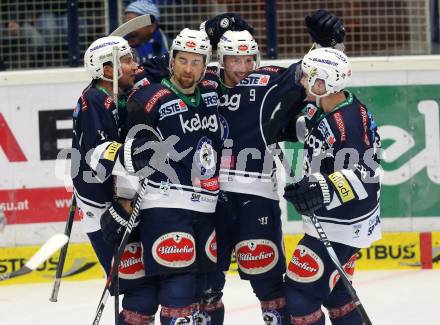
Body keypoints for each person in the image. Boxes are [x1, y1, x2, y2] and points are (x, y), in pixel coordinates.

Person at [182, 11, 346, 325]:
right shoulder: (202, 83)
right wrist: (204, 32)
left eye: (248, 60)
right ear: (221, 60)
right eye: (234, 61)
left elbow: (314, 69)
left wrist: (327, 42)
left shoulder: (269, 79)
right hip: (208, 199)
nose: (243, 68)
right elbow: (166, 67)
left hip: (256, 197)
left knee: (269, 284)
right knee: (205, 287)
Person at [108, 28, 222, 324]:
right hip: (165, 205)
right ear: (171, 61)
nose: (188, 69)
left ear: (205, 65)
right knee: (179, 288)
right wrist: (123, 200)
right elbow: (129, 152)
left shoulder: (211, 92)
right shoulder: (148, 98)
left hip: (206, 207)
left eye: (196, 62)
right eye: (182, 60)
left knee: (204, 291)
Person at [283, 48, 382, 324]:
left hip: (343, 224)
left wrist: (319, 189)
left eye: (308, 77)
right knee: (337, 295)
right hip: (343, 221)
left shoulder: (346, 122)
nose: (302, 80)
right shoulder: (330, 106)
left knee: (300, 295)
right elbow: (311, 126)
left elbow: (364, 173)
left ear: (322, 83)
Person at [71, 35, 162, 324]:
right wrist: (136, 152)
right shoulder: (95, 100)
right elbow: (97, 156)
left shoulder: (113, 91)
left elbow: (154, 69)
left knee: (147, 289)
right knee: (140, 293)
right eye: (127, 60)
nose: (134, 65)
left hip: (120, 201)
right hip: (101, 210)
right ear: (108, 70)